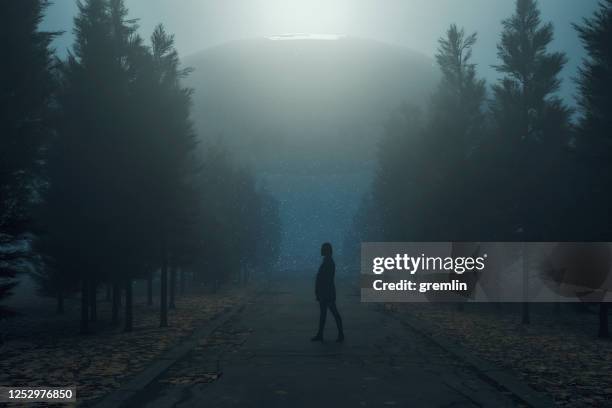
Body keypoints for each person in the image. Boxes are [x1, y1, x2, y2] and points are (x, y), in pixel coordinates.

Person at [311, 242, 344, 343]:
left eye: (323, 249)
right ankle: (321, 334)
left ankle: (340, 334)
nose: (321, 250)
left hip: (327, 293)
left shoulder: (328, 262)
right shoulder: (327, 261)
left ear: (326, 250)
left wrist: (321, 291)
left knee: (333, 313)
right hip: (325, 292)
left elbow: (326, 279)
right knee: (325, 314)